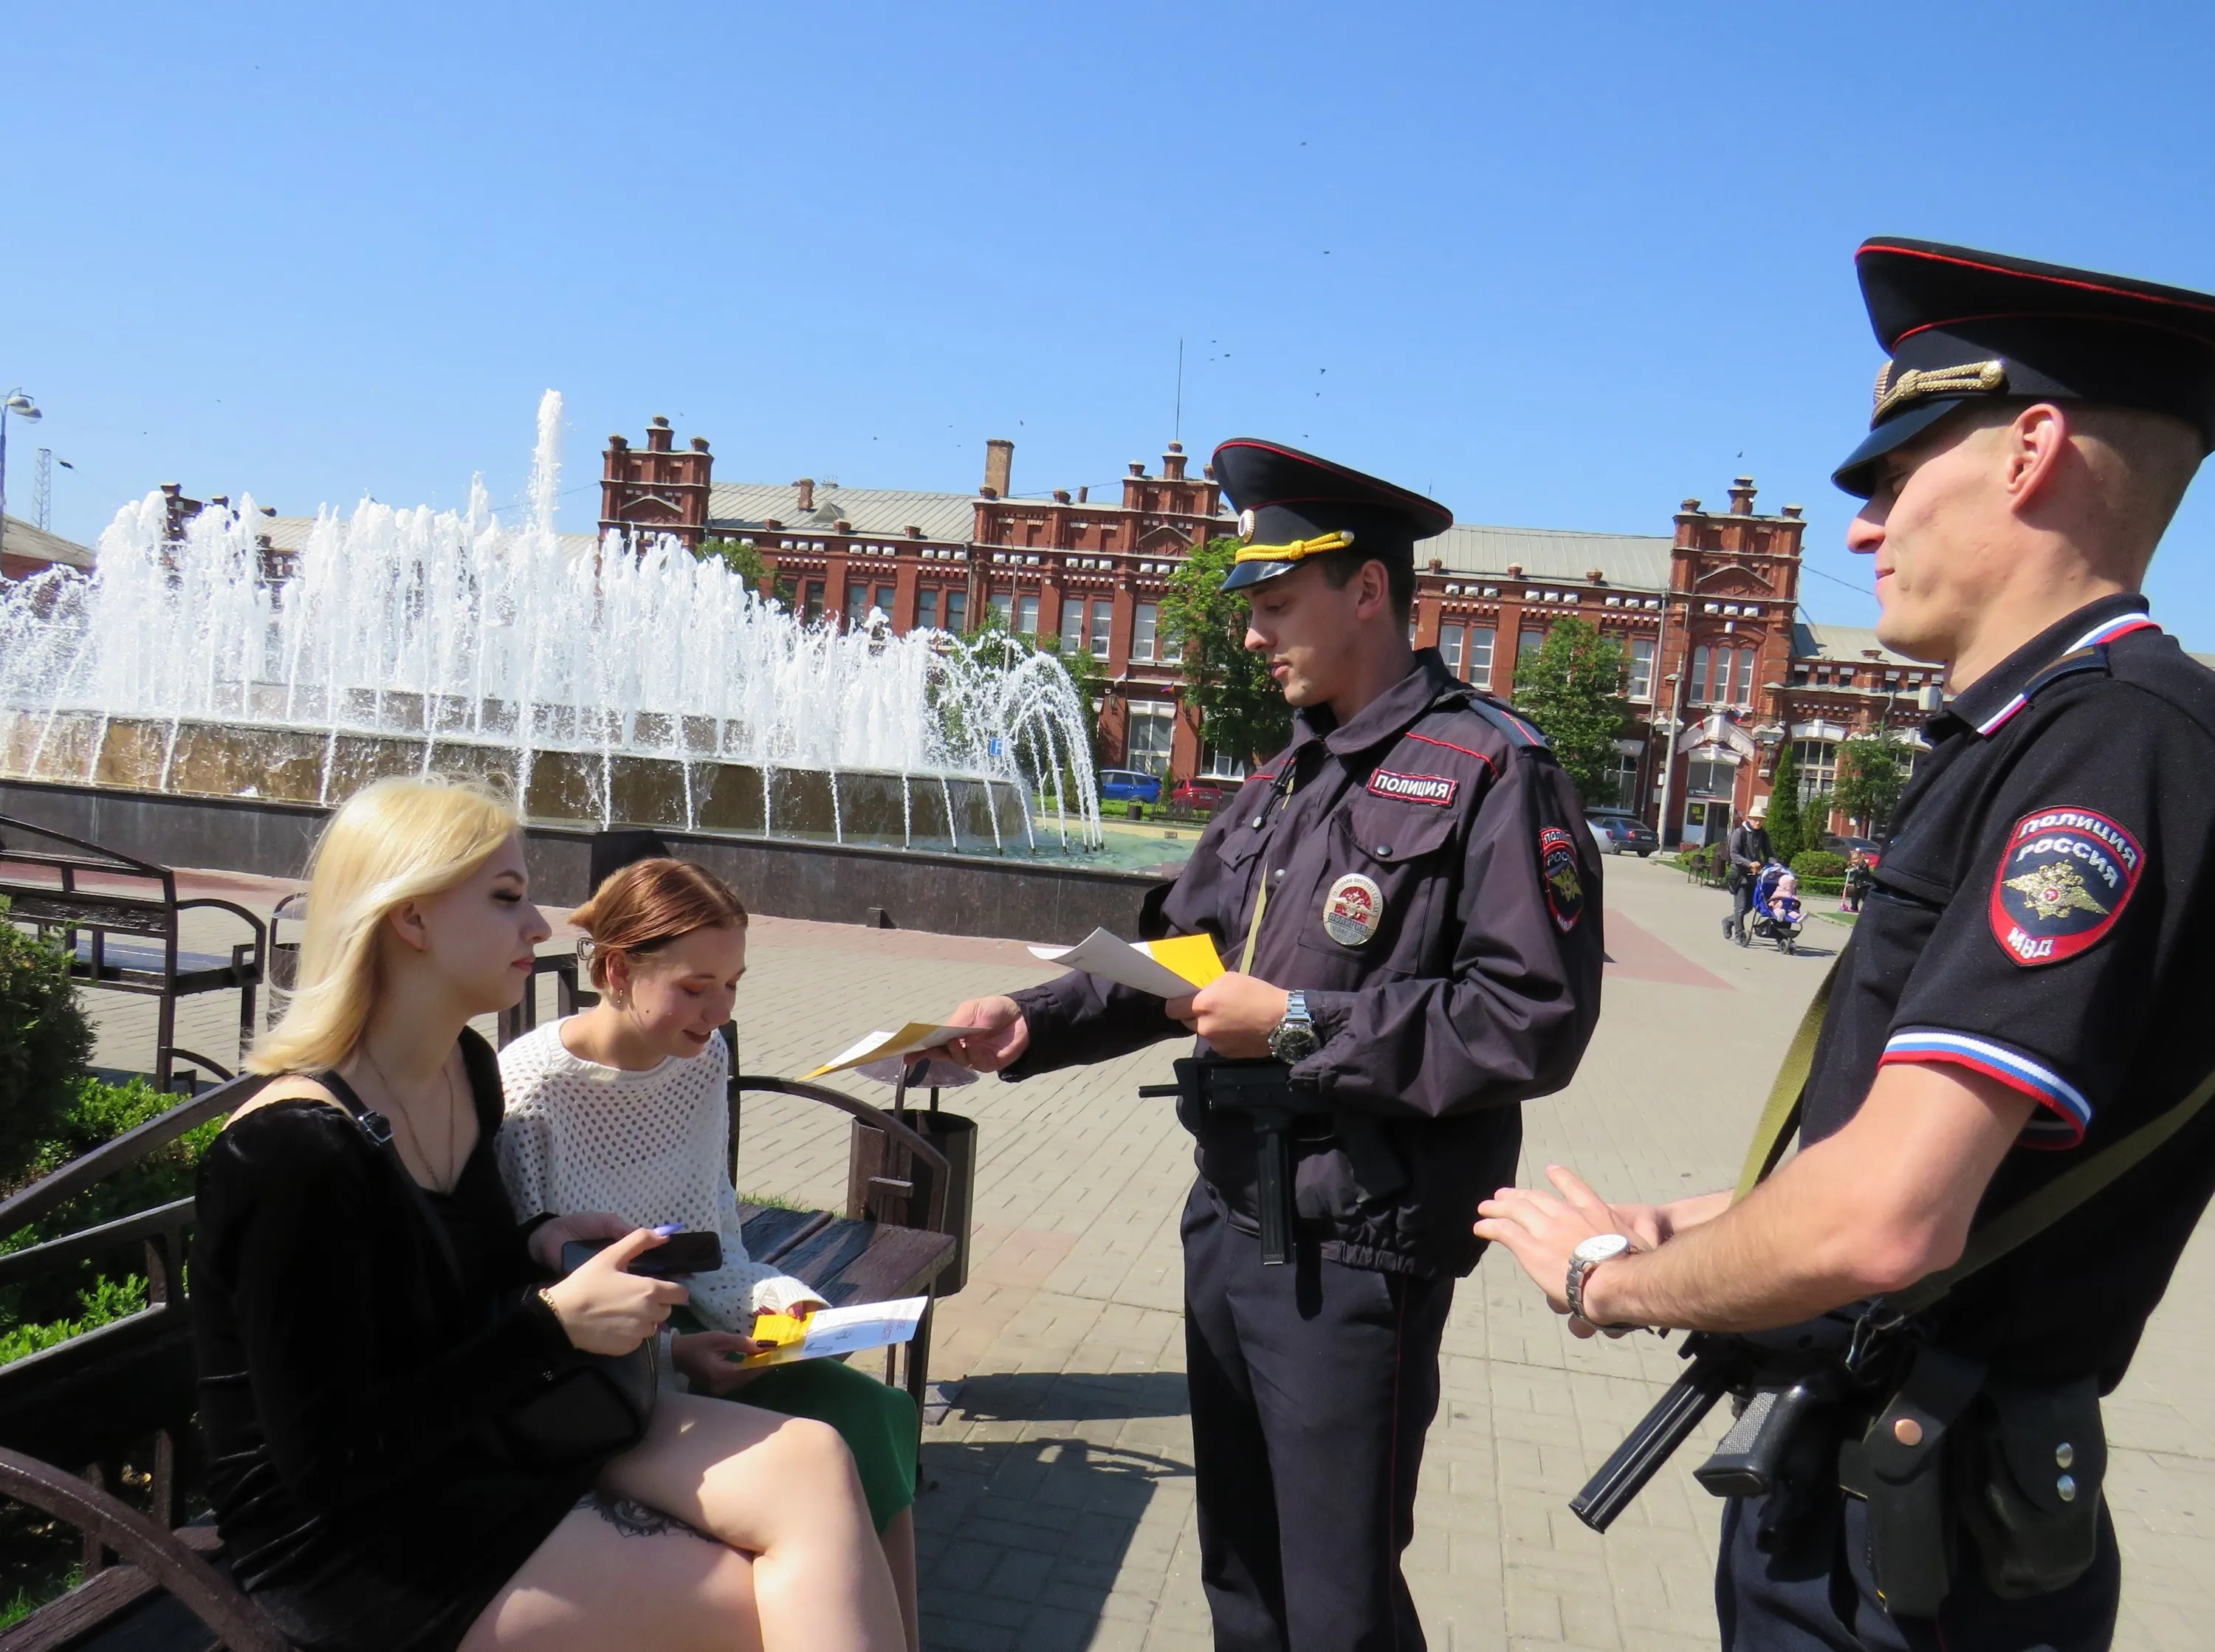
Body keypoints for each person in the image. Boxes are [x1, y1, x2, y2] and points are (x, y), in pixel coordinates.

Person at [1473, 237, 2215, 1651]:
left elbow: (1891, 1213)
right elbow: (1902, 1152)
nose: (1864, 529)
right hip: (1881, 1499)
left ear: (2030, 450)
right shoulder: (2039, 733)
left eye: (1888, 474)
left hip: (1934, 1549)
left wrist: (1610, 1282)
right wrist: (1684, 1224)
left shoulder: (2112, 743)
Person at [941, 438, 1607, 1651]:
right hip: (1231, 1220)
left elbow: (1530, 1019)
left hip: (1355, 1246)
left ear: (1369, 590)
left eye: (1275, 600)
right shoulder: (1286, 776)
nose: (1252, 632)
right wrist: (1027, 1021)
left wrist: (1300, 1023)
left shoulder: (1495, 771)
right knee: (1244, 1578)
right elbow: (1182, 963)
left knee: (1337, 1601)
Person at [194, 774, 905, 1652]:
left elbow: (460, 1277)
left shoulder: (461, 1069)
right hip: (364, 1544)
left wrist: (540, 1242)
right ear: (411, 919)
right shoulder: (290, 1153)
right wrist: (550, 1325)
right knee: (764, 1608)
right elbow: (331, 1463)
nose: (540, 926)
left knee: (819, 1458)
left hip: (487, 1437)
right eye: (506, 898)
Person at [497, 856, 921, 1651]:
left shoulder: (703, 1061)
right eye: (696, 988)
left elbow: (715, 1241)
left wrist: (783, 1305)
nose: (718, 1011)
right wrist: (680, 1355)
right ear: (617, 970)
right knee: (829, 1447)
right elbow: (531, 1303)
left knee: (879, 1412)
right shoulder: (529, 1089)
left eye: (733, 985)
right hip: (596, 1372)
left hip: (686, 1340)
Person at [1725, 807, 1773, 944]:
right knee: (1740, 906)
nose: (1758, 823)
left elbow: (1769, 853)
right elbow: (1734, 854)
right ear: (1749, 818)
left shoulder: (1763, 835)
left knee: (1749, 907)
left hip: (1754, 875)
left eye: (1761, 820)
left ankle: (1728, 921)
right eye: (1756, 820)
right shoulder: (1739, 833)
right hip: (1739, 874)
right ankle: (1739, 935)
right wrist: (1749, 864)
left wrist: (1775, 863)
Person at [1843, 847, 1872, 913]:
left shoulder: (1864, 865)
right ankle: (1854, 908)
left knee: (1864, 897)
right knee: (1855, 896)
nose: (1855, 861)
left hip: (1864, 884)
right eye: (1854, 859)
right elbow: (1852, 875)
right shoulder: (1855, 866)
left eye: (1856, 859)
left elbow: (1863, 872)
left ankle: (1868, 909)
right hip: (1857, 884)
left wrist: (1856, 870)